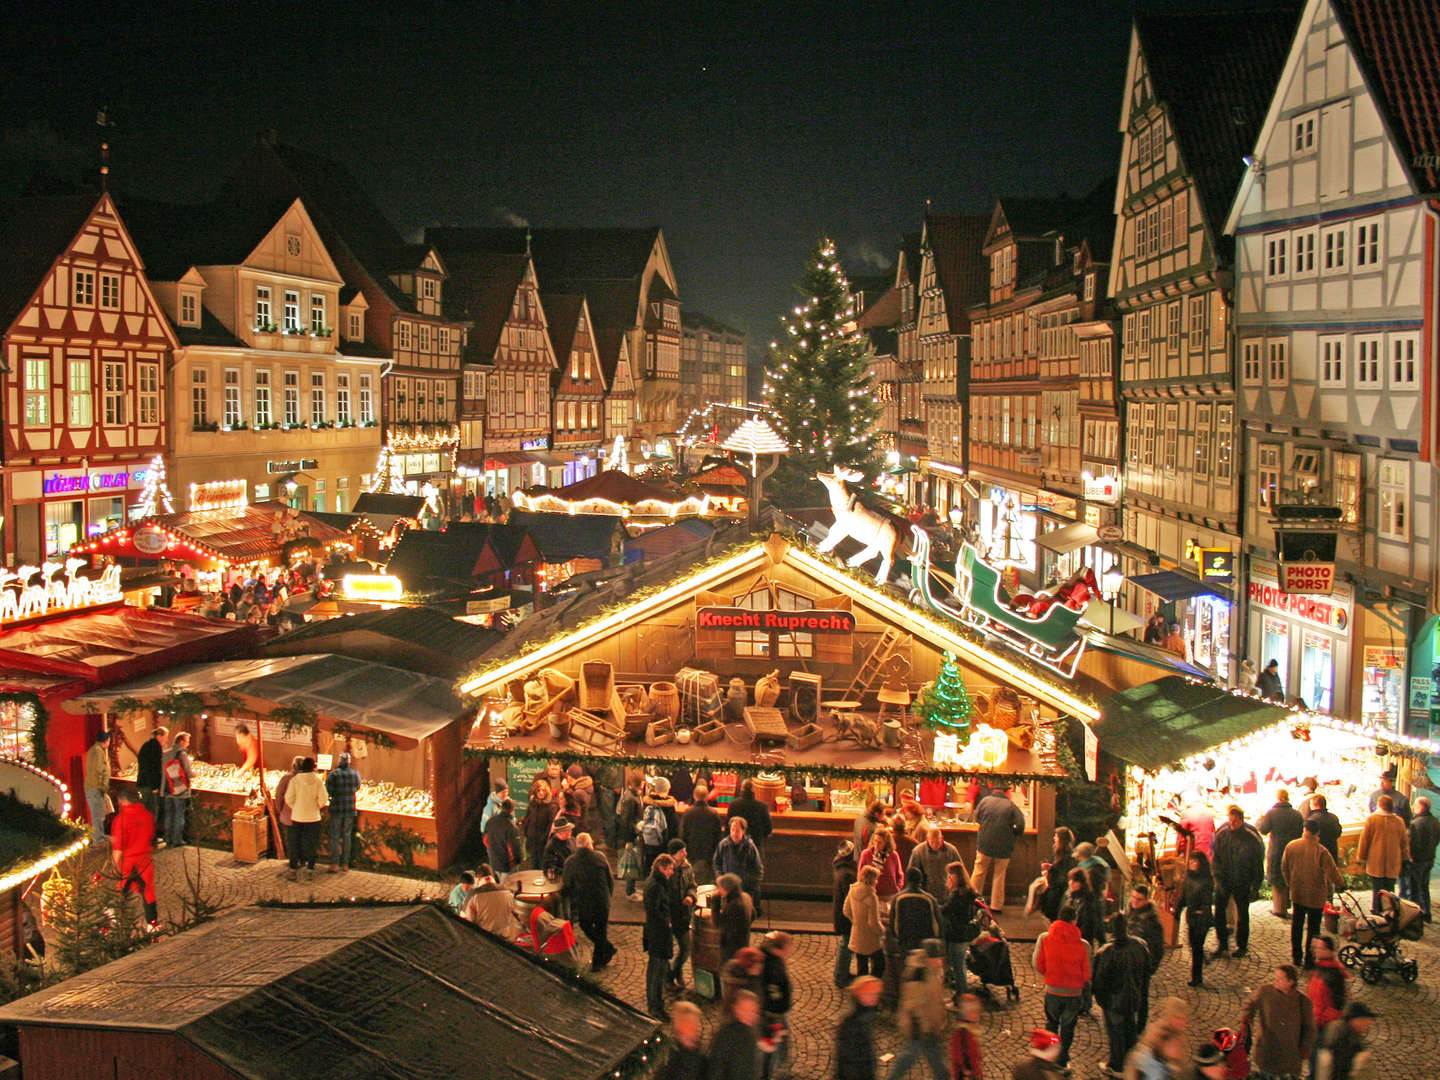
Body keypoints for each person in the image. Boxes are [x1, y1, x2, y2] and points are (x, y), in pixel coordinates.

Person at [1092, 913, 1151, 1079]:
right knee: (1130, 1030)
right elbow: (1147, 970)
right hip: (1133, 998)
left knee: (1116, 1034)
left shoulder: (1107, 952)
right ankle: (1131, 1063)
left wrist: (1102, 1001)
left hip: (1114, 1002)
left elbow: (1099, 981)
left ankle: (1117, 1065)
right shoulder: (1139, 946)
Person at [1281, 817, 1345, 968]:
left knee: (1297, 925)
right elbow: (1332, 872)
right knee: (1313, 929)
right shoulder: (1321, 850)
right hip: (1315, 896)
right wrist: (1341, 884)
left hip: (1297, 893)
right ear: (1317, 833)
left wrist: (1290, 884)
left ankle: (1296, 957)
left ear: (1304, 830)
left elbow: (1284, 868)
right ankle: (1310, 960)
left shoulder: (1291, 846)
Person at [1033, 907, 1091, 1070]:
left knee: (1051, 1023)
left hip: (1052, 990)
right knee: (1068, 1027)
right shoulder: (1083, 945)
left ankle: (1047, 1057)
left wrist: (1050, 975)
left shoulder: (1045, 938)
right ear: (1074, 921)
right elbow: (1087, 975)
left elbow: (1038, 964)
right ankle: (1062, 1060)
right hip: (1073, 993)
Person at [1239, 964, 1315, 1080]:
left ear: (1290, 982)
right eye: (1276, 977)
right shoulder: (1265, 992)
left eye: (1280, 979)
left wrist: (1305, 1048)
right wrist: (1246, 1019)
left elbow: (1309, 1028)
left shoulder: (1303, 1002)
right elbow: (1250, 1003)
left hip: (1290, 1056)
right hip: (1267, 1051)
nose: (1276, 981)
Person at [1210, 804, 1264, 958]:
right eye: (1230, 821)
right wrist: (1217, 877)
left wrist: (1256, 884)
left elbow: (1257, 863)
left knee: (1242, 915)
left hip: (1242, 881)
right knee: (1219, 913)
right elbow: (1216, 859)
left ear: (1241, 820)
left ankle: (1242, 945)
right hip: (1224, 881)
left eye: (1235, 821)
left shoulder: (1250, 839)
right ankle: (1222, 944)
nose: (1232, 824)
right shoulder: (1222, 836)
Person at [888, 942, 948, 1079]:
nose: (940, 961)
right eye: (936, 958)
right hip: (920, 1027)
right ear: (928, 958)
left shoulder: (933, 970)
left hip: (929, 1027)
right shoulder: (918, 974)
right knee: (910, 1057)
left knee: (931, 1058)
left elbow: (935, 999)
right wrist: (927, 1027)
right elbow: (913, 1004)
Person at [562, 831, 616, 970]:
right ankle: (600, 958)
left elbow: (567, 883)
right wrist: (608, 895)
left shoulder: (571, 862)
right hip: (601, 901)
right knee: (601, 930)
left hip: (584, 903)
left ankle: (602, 956)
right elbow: (610, 880)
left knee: (585, 926)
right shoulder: (600, 857)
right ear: (588, 844)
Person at [110, 789, 159, 928]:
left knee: (121, 890)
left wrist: (114, 865)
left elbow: (118, 847)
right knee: (148, 892)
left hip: (128, 862)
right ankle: (152, 923)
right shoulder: (147, 815)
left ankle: (118, 921)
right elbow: (151, 837)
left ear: (122, 801)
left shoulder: (121, 819)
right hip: (145, 860)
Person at [972, 784, 1026, 913]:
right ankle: (996, 906)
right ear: (1006, 792)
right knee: (999, 875)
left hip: (984, 843)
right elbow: (1020, 824)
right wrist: (1014, 834)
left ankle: (972, 900)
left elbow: (976, 818)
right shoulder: (1010, 805)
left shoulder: (984, 801)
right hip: (1004, 845)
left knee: (979, 872)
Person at [1357, 793, 1409, 912]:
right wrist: (1405, 858)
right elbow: (1404, 843)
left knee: (1377, 890)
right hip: (1393, 863)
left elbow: (1365, 840)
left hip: (1375, 863)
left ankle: (1377, 911)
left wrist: (1361, 857)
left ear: (1380, 805)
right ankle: (1390, 913)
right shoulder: (1399, 821)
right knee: (1390, 891)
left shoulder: (1372, 819)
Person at [1306, 931, 1348, 1075]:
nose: (1315, 950)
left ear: (1329, 951)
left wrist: (1321, 1020)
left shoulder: (1334, 974)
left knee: (1318, 1063)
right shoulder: (1319, 968)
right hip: (1316, 1021)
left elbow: (1338, 1004)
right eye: (1315, 947)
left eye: (1319, 948)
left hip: (1323, 1025)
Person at [1258, 789, 1305, 917]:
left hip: (1277, 850)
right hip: (1294, 849)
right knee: (1292, 877)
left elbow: (1263, 829)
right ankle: (1296, 907)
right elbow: (1302, 831)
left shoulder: (1271, 813)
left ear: (1278, 798)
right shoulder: (1297, 814)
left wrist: (1260, 819)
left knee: (1278, 879)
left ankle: (1280, 909)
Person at [940, 861, 981, 1002]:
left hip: (957, 935)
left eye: (951, 876)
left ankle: (962, 996)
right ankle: (960, 994)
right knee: (958, 965)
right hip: (962, 934)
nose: (949, 878)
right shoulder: (968, 892)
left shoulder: (958, 895)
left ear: (958, 877)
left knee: (958, 967)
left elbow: (946, 910)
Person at [1173, 851, 1214, 988]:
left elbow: (1207, 899)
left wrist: (1201, 910)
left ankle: (1197, 977)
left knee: (1197, 946)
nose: (1193, 864)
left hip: (1202, 918)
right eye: (1191, 862)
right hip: (1191, 916)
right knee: (1194, 945)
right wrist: (1178, 911)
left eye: (1195, 862)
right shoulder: (1188, 878)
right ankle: (1200, 963)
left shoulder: (1207, 880)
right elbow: (1184, 896)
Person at [1124, 885, 1165, 1022]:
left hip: (1141, 966)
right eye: (1133, 897)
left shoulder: (1152, 922)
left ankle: (1140, 1024)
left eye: (1139, 899)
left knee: (1142, 996)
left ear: (1147, 900)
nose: (1134, 901)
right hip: (1127, 962)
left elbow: (1158, 948)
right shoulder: (1129, 911)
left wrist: (1150, 967)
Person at [283, 756, 327, 879]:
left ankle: (293, 870)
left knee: (295, 843)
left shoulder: (295, 780)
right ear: (314, 767)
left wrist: (296, 807)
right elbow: (323, 799)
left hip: (297, 817)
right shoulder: (318, 781)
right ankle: (310, 870)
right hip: (313, 818)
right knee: (312, 844)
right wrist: (316, 806)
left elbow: (288, 798)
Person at [644, 852, 677, 1017]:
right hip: (659, 935)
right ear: (661, 868)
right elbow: (656, 911)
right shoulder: (657, 886)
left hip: (655, 933)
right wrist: (667, 923)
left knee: (654, 968)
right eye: (670, 869)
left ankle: (653, 1002)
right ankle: (655, 1006)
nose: (672, 872)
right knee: (657, 971)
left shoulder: (654, 882)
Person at [758, 931, 793, 1079]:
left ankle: (781, 1069)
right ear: (781, 948)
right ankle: (774, 1073)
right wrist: (779, 1009)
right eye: (788, 948)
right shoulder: (774, 968)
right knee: (771, 1047)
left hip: (773, 1014)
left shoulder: (768, 959)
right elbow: (774, 993)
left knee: (780, 1042)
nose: (790, 952)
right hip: (773, 1016)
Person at [1314, 1001, 1376, 1080]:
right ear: (1355, 1019)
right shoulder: (1341, 1033)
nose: (1368, 1023)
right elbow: (1332, 1065)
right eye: (1364, 1020)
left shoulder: (1351, 1032)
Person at [836, 975, 883, 1080]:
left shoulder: (867, 1014)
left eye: (876, 994)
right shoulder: (852, 1022)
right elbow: (847, 1059)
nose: (874, 997)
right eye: (869, 994)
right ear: (859, 994)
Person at [709, 988, 761, 1080]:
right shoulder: (728, 1035)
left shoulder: (749, 1031)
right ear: (736, 1009)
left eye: (753, 1011)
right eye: (745, 1010)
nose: (750, 1015)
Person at [844, 864, 886, 978]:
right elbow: (873, 922)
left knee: (861, 966)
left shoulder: (853, 890)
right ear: (872, 879)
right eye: (876, 879)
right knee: (880, 963)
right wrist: (883, 931)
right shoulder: (871, 896)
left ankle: (862, 987)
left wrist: (857, 922)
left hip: (857, 934)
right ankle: (873, 985)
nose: (877, 882)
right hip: (870, 938)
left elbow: (846, 910)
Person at [890, 866, 942, 956]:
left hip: (905, 942)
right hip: (925, 944)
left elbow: (893, 923)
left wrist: (898, 937)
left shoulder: (897, 898)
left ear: (907, 879)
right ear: (921, 879)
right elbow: (938, 923)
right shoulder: (930, 899)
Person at [667, 839, 698, 988]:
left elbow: (692, 885)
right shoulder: (666, 868)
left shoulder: (687, 867)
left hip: (683, 914)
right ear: (674, 854)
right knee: (666, 950)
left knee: (686, 947)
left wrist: (690, 896)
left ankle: (675, 970)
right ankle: (668, 978)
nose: (685, 853)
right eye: (682, 851)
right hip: (668, 915)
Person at [906, 820, 960, 904]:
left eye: (937, 842)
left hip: (947, 892)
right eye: (932, 842)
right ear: (927, 839)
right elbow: (912, 873)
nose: (935, 845)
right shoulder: (918, 851)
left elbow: (959, 870)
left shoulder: (951, 850)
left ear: (942, 838)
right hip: (926, 892)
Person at [324, 751, 361, 872]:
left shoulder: (333, 775)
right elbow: (357, 787)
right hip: (350, 809)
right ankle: (345, 864)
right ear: (349, 762)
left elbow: (328, 790)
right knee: (347, 836)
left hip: (336, 808)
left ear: (339, 761)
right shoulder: (355, 774)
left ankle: (335, 864)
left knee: (335, 836)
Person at [715, 815, 765, 904]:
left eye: (737, 831)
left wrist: (745, 885)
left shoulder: (750, 847)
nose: (734, 833)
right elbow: (717, 864)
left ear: (743, 831)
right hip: (727, 888)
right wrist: (721, 879)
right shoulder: (723, 845)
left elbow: (758, 871)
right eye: (732, 830)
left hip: (745, 890)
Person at [682, 782, 724, 883]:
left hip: (692, 851)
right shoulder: (713, 813)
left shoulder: (688, 813)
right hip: (709, 853)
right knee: (707, 882)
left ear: (694, 796)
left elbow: (683, 835)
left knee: (692, 880)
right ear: (707, 797)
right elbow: (718, 835)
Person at [463, 864, 520, 940]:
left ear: (478, 878)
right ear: (492, 876)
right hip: (505, 938)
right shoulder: (508, 892)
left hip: (485, 939)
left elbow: (469, 921)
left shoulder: (473, 895)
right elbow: (513, 912)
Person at [1406, 795, 1439, 919]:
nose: (1414, 808)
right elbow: (1436, 840)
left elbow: (1414, 843)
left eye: (1415, 806)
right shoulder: (1435, 821)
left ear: (1421, 808)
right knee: (1425, 887)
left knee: (1414, 889)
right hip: (1430, 858)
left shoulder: (1416, 823)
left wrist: (1411, 857)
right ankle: (1427, 913)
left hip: (1418, 860)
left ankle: (1415, 916)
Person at [655, 1000, 707, 1080]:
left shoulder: (698, 1050)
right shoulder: (670, 1057)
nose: (697, 1028)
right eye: (691, 1024)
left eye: (696, 1023)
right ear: (681, 1026)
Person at [833, 839, 859, 989]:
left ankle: (841, 973)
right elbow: (850, 896)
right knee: (846, 944)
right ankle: (841, 976)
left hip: (841, 912)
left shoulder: (840, 867)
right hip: (846, 914)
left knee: (846, 943)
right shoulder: (848, 874)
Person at [160, 731, 194, 848]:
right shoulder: (182, 754)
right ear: (181, 741)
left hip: (167, 789)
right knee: (179, 814)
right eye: (187, 741)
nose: (188, 744)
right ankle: (177, 839)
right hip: (179, 790)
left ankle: (168, 838)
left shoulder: (165, 753)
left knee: (169, 814)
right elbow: (188, 772)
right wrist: (195, 774)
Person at [1059, 866, 1104, 948]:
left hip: (1081, 940)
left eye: (1075, 881)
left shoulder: (1088, 900)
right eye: (1070, 879)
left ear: (1082, 883)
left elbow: (1090, 924)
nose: (1071, 883)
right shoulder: (1067, 896)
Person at [857, 825, 904, 904]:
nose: (876, 845)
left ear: (886, 843)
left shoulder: (893, 855)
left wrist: (898, 888)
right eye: (875, 841)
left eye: (880, 842)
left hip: (890, 894)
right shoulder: (866, 854)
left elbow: (899, 874)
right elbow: (860, 874)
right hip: (872, 893)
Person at [641, 778, 678, 876]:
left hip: (649, 843)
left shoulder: (647, 803)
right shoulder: (669, 806)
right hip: (663, 845)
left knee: (650, 868)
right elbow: (673, 827)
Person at [716, 872, 755, 965]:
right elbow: (753, 914)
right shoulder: (746, 897)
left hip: (732, 947)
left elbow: (718, 923)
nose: (718, 890)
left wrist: (715, 901)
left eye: (720, 887)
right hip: (744, 941)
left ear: (727, 889)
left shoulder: (734, 905)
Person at [84, 728, 112, 844]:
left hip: (93, 787)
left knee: (98, 813)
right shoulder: (98, 751)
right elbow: (99, 771)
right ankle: (98, 839)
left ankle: (99, 836)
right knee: (98, 814)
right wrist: (102, 787)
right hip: (95, 788)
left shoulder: (95, 750)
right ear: (106, 740)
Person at [135, 725, 167, 825]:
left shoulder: (147, 745)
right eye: (166, 737)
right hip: (148, 785)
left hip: (142, 783)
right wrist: (154, 786)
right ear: (160, 736)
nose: (166, 740)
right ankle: (149, 835)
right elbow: (153, 768)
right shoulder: (155, 748)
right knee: (151, 811)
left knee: (144, 810)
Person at [949, 992, 984, 1080]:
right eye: (973, 1012)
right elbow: (959, 1056)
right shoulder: (962, 1033)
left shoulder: (970, 1029)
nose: (976, 1014)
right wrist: (967, 1071)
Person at [523, 778, 556, 869]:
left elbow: (551, 824)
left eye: (543, 790)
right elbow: (528, 818)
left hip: (543, 842)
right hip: (532, 840)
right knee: (533, 865)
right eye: (538, 790)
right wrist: (526, 832)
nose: (541, 793)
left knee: (542, 866)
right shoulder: (532, 803)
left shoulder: (551, 806)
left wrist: (544, 837)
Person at [484, 796, 521, 874]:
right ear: (512, 810)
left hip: (494, 861)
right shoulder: (511, 827)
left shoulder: (490, 821)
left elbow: (485, 840)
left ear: (501, 808)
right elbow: (515, 847)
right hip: (507, 864)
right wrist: (518, 861)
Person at [1305, 793, 1343, 863]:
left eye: (1310, 804)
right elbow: (1338, 833)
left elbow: (1307, 840)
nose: (1309, 806)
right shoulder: (1333, 817)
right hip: (1332, 852)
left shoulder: (1311, 820)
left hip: (1317, 855)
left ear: (1315, 805)